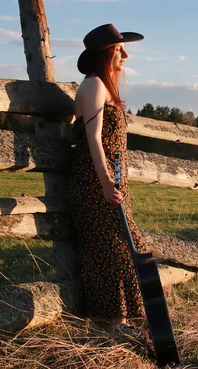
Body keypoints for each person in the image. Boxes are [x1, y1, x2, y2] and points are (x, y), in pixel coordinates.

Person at [68, 23, 147, 332]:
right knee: (114, 250)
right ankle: (116, 322)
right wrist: (104, 183)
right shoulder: (93, 86)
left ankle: (131, 319)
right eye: (118, 49)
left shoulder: (105, 87)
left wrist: (113, 183)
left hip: (110, 183)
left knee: (130, 247)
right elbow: (93, 139)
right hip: (94, 184)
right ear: (104, 54)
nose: (125, 54)